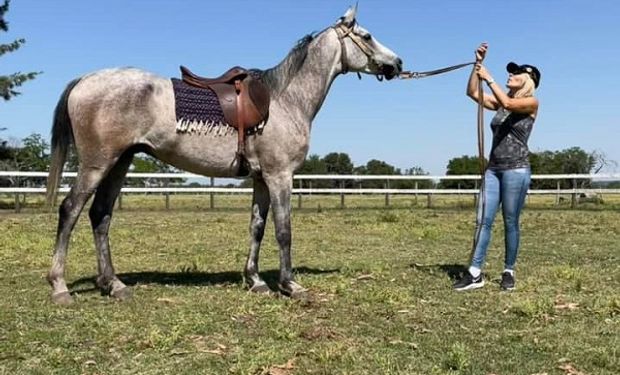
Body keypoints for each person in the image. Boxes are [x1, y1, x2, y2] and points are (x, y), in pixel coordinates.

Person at [453, 42, 540, 291]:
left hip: (517, 169)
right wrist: (476, 65)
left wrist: (489, 77)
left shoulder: (531, 103)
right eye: (509, 73)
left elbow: (511, 105)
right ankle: (475, 272)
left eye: (516, 73)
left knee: (510, 221)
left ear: (529, 80)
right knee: (483, 220)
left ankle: (508, 270)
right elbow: (472, 93)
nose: (510, 76)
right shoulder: (500, 102)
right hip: (493, 169)